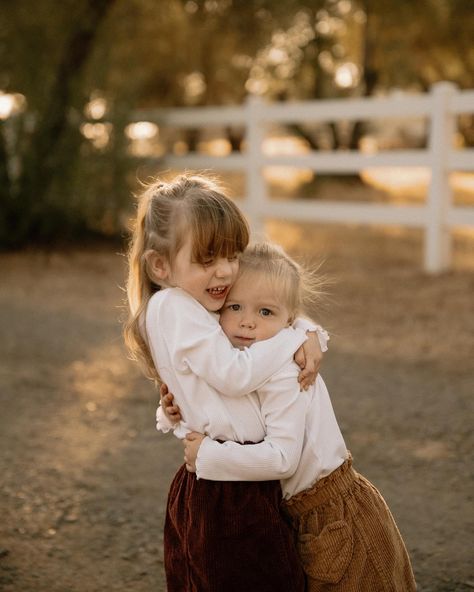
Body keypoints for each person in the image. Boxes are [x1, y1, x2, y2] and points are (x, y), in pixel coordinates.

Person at [163, 241, 417, 592]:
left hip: (333, 518)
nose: (247, 321)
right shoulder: (246, 362)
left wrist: (207, 456)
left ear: (289, 321)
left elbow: (282, 458)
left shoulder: (285, 372)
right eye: (234, 306)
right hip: (298, 514)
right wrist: (174, 409)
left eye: (265, 312)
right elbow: (229, 408)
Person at [123, 173, 326, 592]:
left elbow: (257, 313)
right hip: (230, 491)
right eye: (207, 259)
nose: (225, 271)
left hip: (223, 478)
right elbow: (234, 376)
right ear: (160, 265)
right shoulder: (175, 308)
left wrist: (305, 327)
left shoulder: (191, 302)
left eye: (232, 255)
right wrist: (294, 337)